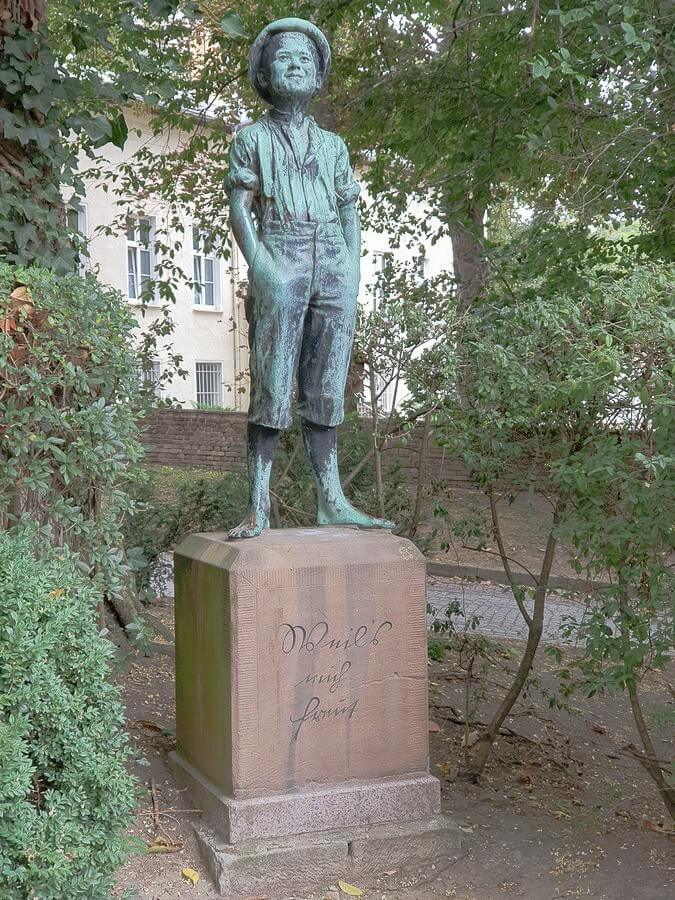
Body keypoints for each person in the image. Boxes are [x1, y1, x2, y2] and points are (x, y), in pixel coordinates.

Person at [227, 17, 394, 539]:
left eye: (304, 57)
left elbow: (349, 208)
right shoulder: (251, 138)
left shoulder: (335, 147)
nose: (294, 63)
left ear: (319, 75)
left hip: (334, 264)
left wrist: (353, 265)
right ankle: (257, 504)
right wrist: (261, 266)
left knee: (326, 386)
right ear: (264, 73)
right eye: (282, 57)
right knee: (272, 384)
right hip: (281, 250)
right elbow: (239, 203)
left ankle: (333, 498)